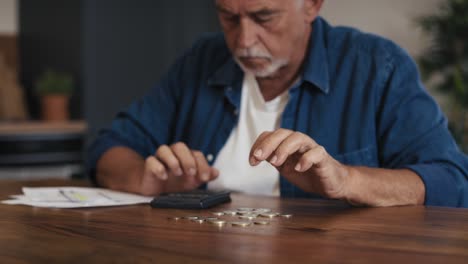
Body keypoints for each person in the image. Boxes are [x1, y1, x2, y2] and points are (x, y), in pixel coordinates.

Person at [88, 0, 468, 207]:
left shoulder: (376, 65)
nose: (243, 40)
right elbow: (108, 148)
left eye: (263, 17)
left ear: (312, 6)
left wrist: (346, 180)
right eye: (228, 17)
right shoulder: (202, 59)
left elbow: (451, 181)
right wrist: (143, 177)